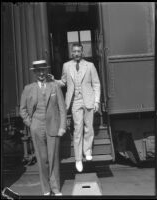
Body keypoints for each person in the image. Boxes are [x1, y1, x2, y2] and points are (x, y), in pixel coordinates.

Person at [20, 60, 66, 196]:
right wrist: (30, 123)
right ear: (34, 73)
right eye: (38, 71)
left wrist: (62, 126)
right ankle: (46, 189)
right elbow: (22, 110)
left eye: (43, 70)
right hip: (37, 126)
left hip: (53, 126)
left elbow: (62, 109)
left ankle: (56, 188)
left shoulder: (55, 87)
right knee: (42, 158)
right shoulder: (28, 88)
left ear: (46, 71)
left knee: (54, 158)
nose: (41, 73)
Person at [56, 43, 101, 172]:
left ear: (82, 52)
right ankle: (78, 159)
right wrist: (53, 81)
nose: (76, 53)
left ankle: (87, 151)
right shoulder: (66, 66)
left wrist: (96, 101)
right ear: (72, 52)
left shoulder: (90, 66)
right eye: (74, 51)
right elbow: (63, 82)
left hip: (88, 100)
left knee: (89, 127)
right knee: (77, 129)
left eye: (79, 51)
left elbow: (96, 84)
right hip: (75, 101)